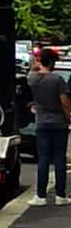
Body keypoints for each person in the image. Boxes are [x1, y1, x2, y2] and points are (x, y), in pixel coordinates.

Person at [27, 44, 71, 205]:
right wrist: (69, 116)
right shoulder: (57, 79)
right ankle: (60, 195)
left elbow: (32, 70)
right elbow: (64, 101)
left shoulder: (33, 79)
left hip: (42, 122)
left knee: (43, 158)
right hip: (59, 122)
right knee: (59, 158)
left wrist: (36, 63)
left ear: (40, 61)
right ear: (52, 62)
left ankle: (41, 196)